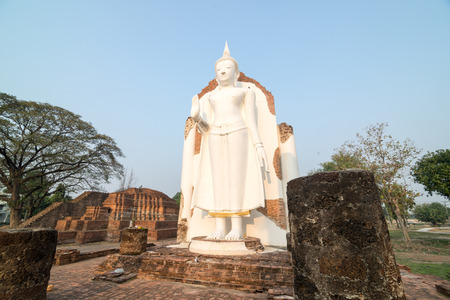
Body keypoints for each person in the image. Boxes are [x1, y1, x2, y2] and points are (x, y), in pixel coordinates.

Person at [190, 43, 269, 240]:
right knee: (218, 178)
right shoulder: (211, 96)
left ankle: (236, 226)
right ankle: (219, 226)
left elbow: (251, 120)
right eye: (218, 69)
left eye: (227, 68)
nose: (222, 71)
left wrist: (258, 145)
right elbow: (205, 126)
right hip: (215, 132)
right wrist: (198, 118)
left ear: (237, 72)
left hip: (238, 131)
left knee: (236, 178)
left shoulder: (245, 92)